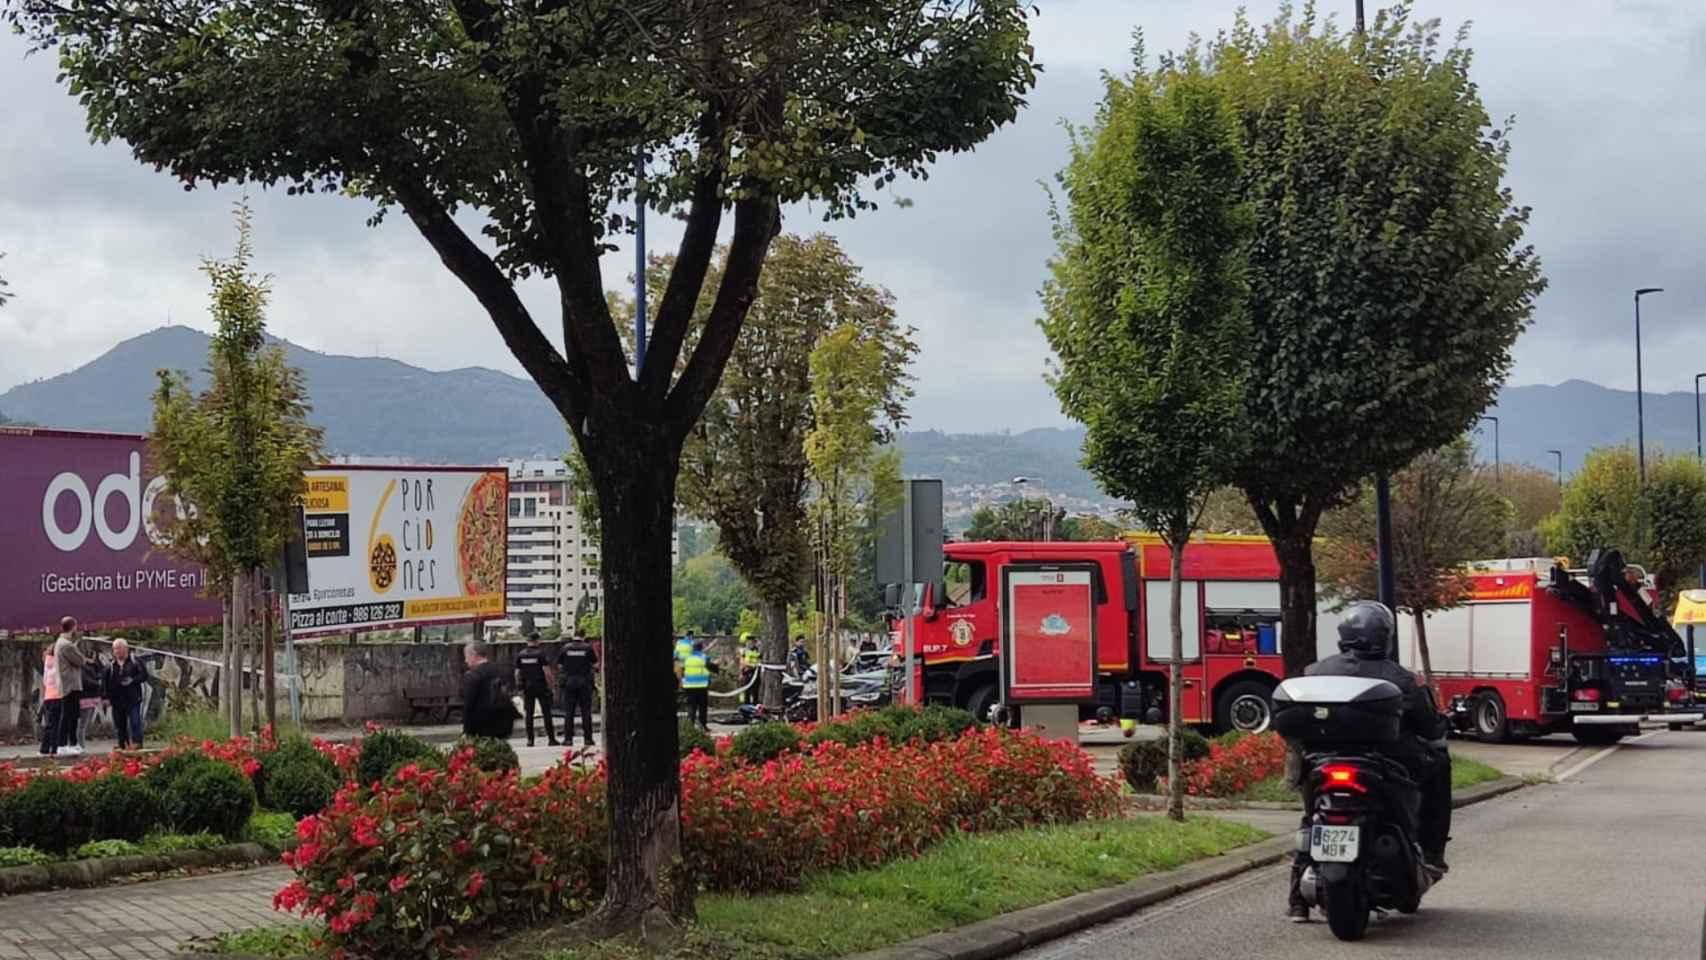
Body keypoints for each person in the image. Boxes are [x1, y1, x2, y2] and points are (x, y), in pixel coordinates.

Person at [1286, 601, 1451, 923]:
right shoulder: (1401, 678)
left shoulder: (1315, 671)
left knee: (1312, 817)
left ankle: (1296, 900)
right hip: (1384, 763)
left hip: (1323, 762)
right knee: (1439, 765)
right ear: (1385, 637)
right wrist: (1438, 729)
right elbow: (1429, 726)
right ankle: (1431, 852)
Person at [461, 641, 516, 740]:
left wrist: (466, 730)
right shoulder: (502, 671)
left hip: (481, 726)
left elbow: (469, 704)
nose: (465, 660)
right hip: (503, 723)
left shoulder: (473, 675)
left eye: (466, 656)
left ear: (473, 655)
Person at [513, 631, 559, 747]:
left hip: (527, 687)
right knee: (546, 712)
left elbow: (517, 672)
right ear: (537, 640)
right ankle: (551, 739)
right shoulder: (540, 654)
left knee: (529, 714)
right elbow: (547, 672)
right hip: (540, 686)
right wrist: (552, 685)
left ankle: (530, 740)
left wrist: (519, 686)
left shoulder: (521, 654)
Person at [557, 629, 598, 747]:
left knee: (569, 712)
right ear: (583, 636)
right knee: (586, 711)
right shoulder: (588, 648)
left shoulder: (565, 648)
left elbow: (559, 666)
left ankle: (568, 739)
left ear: (574, 635)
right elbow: (595, 665)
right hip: (584, 683)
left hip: (569, 683)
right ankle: (588, 739)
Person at [105, 639, 150, 749]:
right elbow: (105, 682)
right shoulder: (111, 665)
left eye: (119, 648)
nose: (117, 651)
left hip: (133, 698)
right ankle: (123, 747)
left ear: (126, 649)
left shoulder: (135, 661)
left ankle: (137, 745)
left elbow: (144, 675)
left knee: (135, 722)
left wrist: (133, 680)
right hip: (117, 700)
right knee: (120, 725)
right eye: (115, 649)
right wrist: (106, 698)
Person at [53, 617, 86, 756]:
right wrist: (79, 652)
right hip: (70, 685)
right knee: (67, 715)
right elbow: (80, 661)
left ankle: (73, 743)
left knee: (73, 715)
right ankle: (61, 744)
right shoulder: (66, 645)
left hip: (68, 684)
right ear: (73, 627)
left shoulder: (62, 643)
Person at [680, 638, 718, 730]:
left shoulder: (687, 658)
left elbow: (682, 670)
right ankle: (703, 725)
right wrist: (717, 664)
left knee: (691, 707)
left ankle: (690, 727)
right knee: (702, 706)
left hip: (689, 686)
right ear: (701, 648)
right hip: (701, 685)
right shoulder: (704, 657)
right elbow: (713, 668)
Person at [74, 638, 104, 751]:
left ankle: (80, 745)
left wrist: (95, 661)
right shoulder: (80, 665)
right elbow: (85, 680)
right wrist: (98, 683)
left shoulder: (92, 664)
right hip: (84, 698)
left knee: (84, 724)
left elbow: (102, 671)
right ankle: (79, 745)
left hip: (92, 697)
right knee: (82, 724)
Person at [38, 643, 61, 756]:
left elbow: (45, 682)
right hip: (57, 696)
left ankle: (45, 748)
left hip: (48, 697)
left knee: (50, 724)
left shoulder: (47, 664)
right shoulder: (58, 664)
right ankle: (54, 748)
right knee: (56, 724)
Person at [739, 632, 761, 706]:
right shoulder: (744, 651)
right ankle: (746, 705)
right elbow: (742, 662)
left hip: (756, 672)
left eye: (752, 641)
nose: (751, 643)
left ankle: (755, 705)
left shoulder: (757, 650)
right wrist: (751, 665)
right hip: (747, 672)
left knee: (755, 690)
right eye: (749, 641)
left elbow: (760, 659)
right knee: (747, 690)